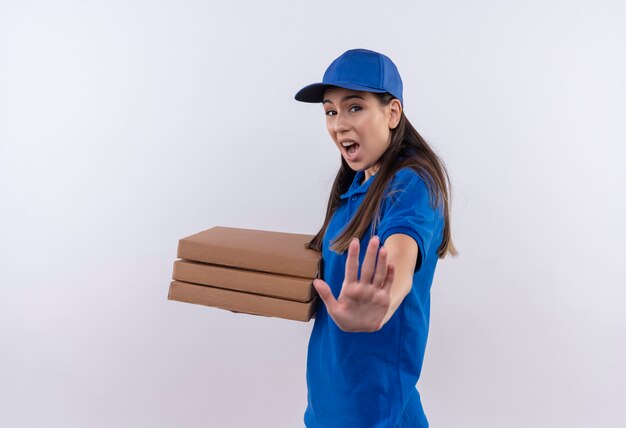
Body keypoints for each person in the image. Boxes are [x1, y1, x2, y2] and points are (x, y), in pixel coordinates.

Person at [294, 48, 459, 428]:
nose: (338, 124)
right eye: (330, 111)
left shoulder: (411, 184)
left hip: (375, 414)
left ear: (392, 113)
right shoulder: (353, 190)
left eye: (354, 107)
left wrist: (384, 302)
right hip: (328, 407)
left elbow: (400, 255)